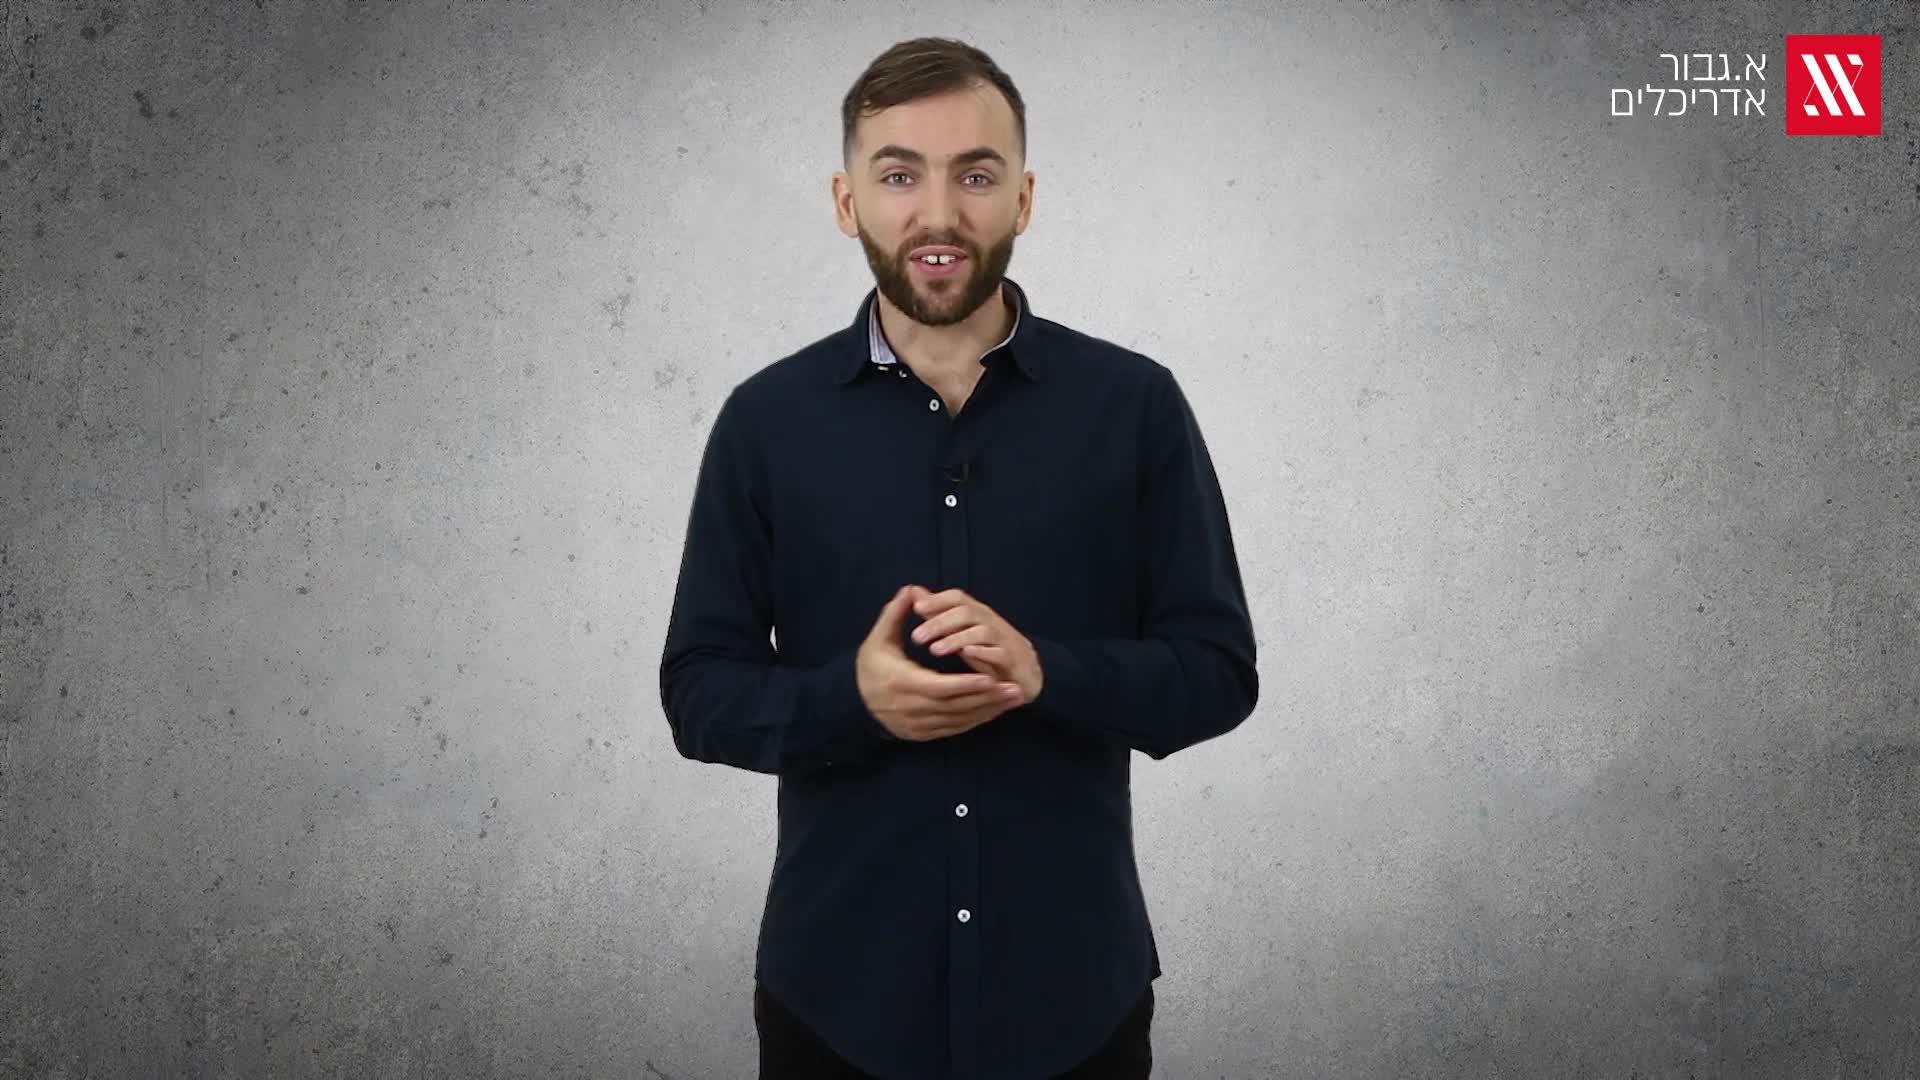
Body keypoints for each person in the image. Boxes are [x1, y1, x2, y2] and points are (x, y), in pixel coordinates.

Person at [658, 35, 1259, 1080]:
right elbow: (698, 693)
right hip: (835, 1005)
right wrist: (852, 701)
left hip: (1076, 1003)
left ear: (1024, 197)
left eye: (975, 176)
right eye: (899, 175)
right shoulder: (764, 423)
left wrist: (1046, 673)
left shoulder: (1135, 408)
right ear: (846, 200)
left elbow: (1217, 673)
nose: (937, 213)